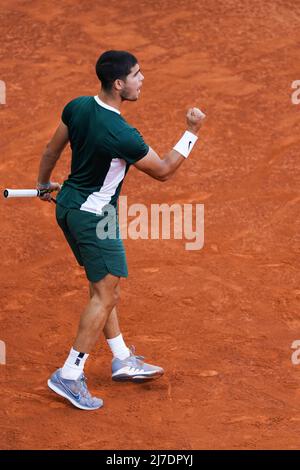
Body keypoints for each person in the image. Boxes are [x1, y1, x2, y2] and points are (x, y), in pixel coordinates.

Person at [37, 50, 205, 411]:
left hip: (68, 206)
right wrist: (190, 132)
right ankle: (69, 373)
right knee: (105, 294)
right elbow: (162, 170)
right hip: (95, 218)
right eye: (137, 74)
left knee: (104, 288)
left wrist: (42, 184)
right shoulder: (121, 133)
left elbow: (52, 150)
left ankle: (122, 358)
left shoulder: (78, 106)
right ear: (119, 84)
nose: (142, 79)